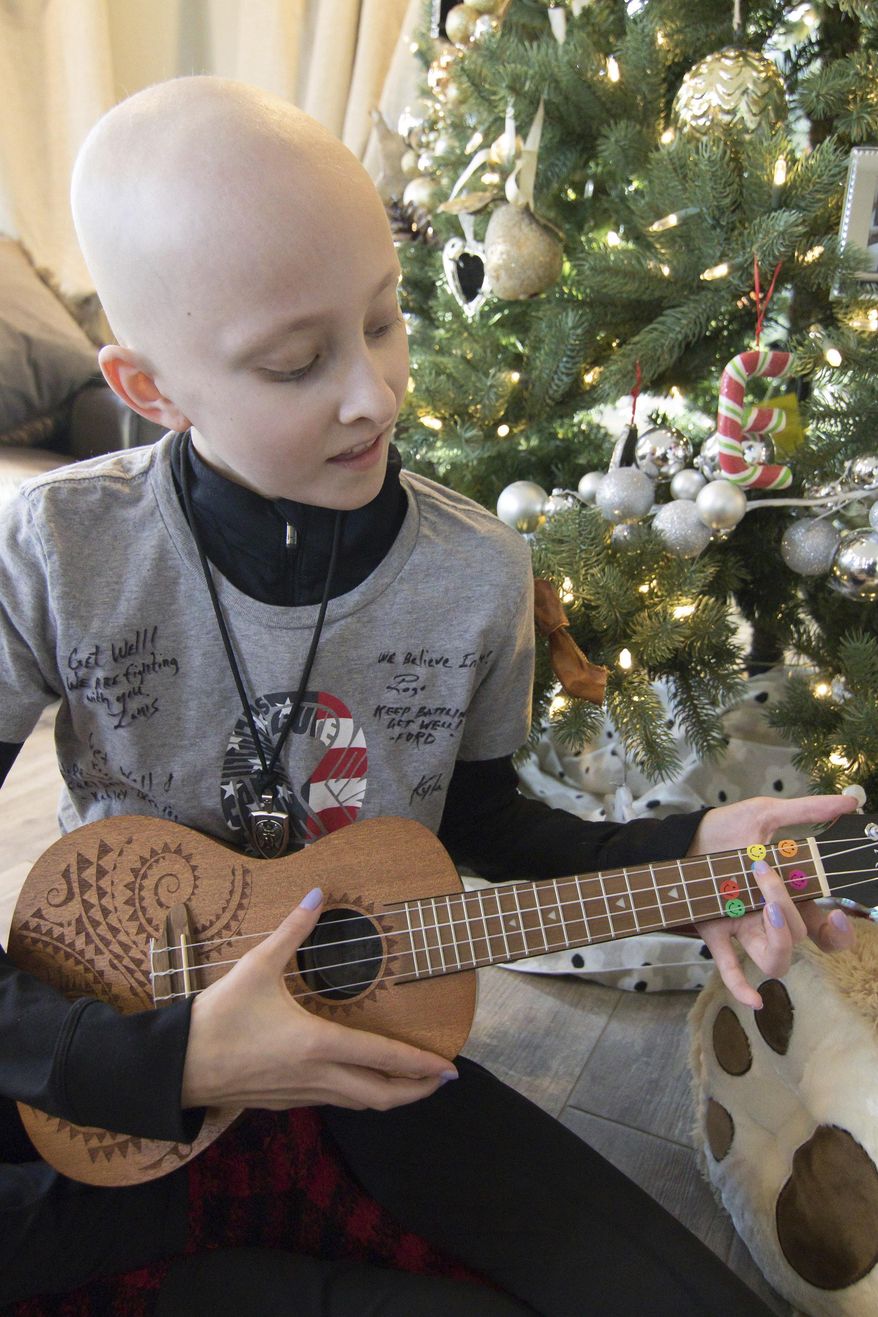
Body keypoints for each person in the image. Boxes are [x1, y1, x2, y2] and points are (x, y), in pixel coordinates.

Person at [0, 76, 857, 1315]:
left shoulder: (474, 573)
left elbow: (482, 829)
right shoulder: (56, 551)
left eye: (386, 320)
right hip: (106, 1041)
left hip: (363, 1055)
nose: (375, 393)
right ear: (148, 389)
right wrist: (159, 1056)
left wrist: (688, 847)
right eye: (296, 364)